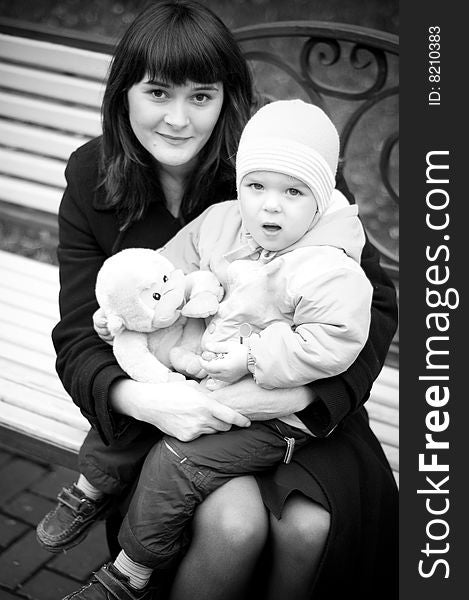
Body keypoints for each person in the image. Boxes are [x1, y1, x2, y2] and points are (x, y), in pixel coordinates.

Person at [37, 1, 398, 599]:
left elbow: (373, 308)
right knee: (235, 524)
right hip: (170, 395)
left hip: (293, 387)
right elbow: (79, 331)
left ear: (227, 98)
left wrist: (293, 387)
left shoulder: (279, 164)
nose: (178, 119)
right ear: (122, 94)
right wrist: (150, 401)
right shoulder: (93, 176)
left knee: (311, 525)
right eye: (157, 93)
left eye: (201, 96)